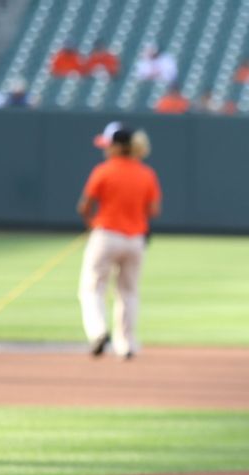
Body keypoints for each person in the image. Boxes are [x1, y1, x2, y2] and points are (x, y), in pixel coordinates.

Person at [77, 122, 162, 360]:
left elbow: (84, 205)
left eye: (108, 145)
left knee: (92, 288)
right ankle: (126, 345)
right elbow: (154, 210)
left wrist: (90, 222)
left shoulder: (104, 170)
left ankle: (98, 332)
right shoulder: (146, 173)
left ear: (116, 147)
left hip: (106, 235)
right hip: (135, 239)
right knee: (128, 292)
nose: (105, 149)